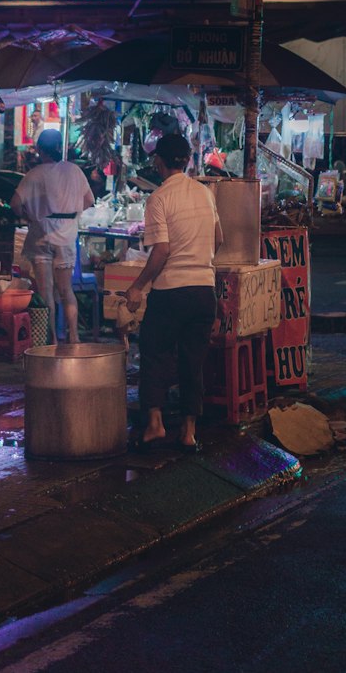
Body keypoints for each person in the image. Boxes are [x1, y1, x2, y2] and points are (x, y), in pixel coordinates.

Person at [124, 132, 223, 454]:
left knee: (154, 352)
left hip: (171, 291)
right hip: (203, 291)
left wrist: (138, 286)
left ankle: (154, 426)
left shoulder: (159, 198)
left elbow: (162, 250)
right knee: (193, 362)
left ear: (158, 161)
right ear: (189, 160)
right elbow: (218, 239)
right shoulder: (205, 193)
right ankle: (189, 432)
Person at [11, 128, 94, 345]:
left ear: (39, 149)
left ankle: (52, 341)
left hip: (41, 235)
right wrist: (71, 214)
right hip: (66, 235)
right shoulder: (74, 170)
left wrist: (28, 216)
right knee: (66, 290)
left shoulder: (34, 174)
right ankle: (74, 337)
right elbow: (89, 200)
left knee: (46, 292)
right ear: (60, 147)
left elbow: (15, 204)